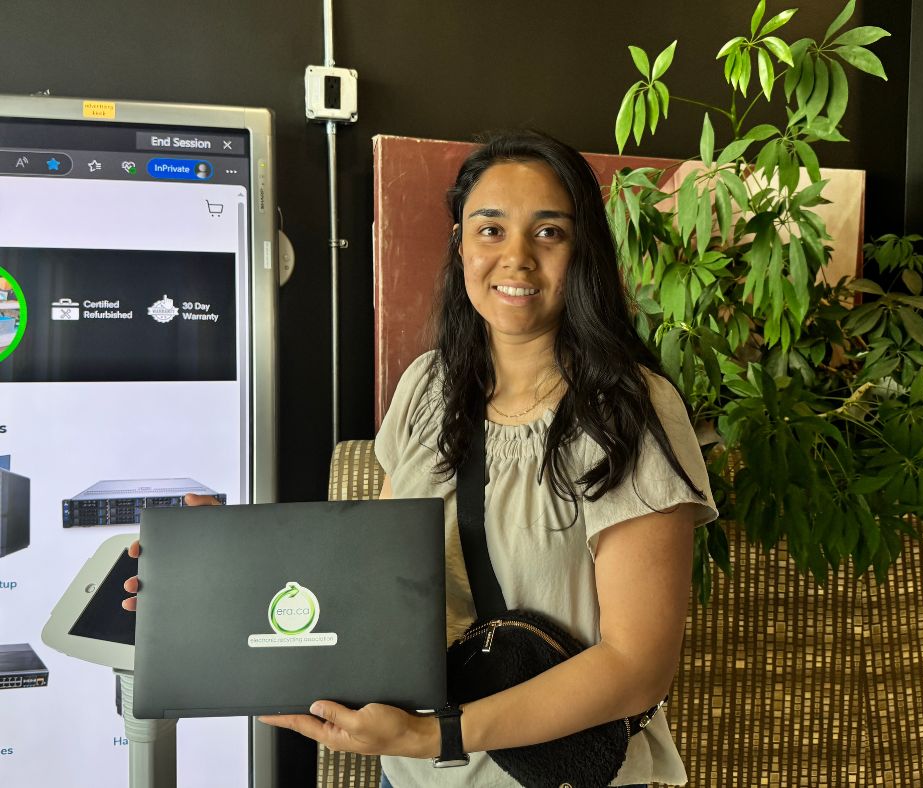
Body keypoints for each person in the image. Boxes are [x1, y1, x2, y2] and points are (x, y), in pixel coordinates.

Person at [126, 129, 717, 787]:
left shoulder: (629, 409)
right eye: (490, 230)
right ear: (461, 244)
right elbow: (375, 583)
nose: (516, 257)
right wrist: (218, 567)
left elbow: (637, 668)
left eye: (549, 232)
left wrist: (438, 734)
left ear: (583, 252)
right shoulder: (428, 386)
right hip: (411, 774)